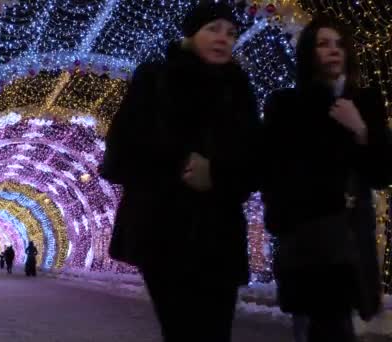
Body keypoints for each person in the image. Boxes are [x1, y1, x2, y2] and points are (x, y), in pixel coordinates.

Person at [99, 2, 261, 341]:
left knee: (217, 332)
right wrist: (179, 166)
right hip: (163, 232)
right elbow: (118, 157)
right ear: (191, 33)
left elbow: (255, 163)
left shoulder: (240, 90)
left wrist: (216, 174)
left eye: (231, 33)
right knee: (183, 331)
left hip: (220, 235)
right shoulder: (155, 79)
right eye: (213, 29)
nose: (223, 38)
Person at [262, 16, 392, 342]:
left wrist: (361, 130)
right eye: (323, 43)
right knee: (320, 325)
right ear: (309, 52)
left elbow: (381, 173)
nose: (334, 51)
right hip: (307, 237)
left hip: (352, 236)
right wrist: (284, 222)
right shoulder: (286, 104)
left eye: (339, 44)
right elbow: (274, 170)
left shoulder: (366, 103)